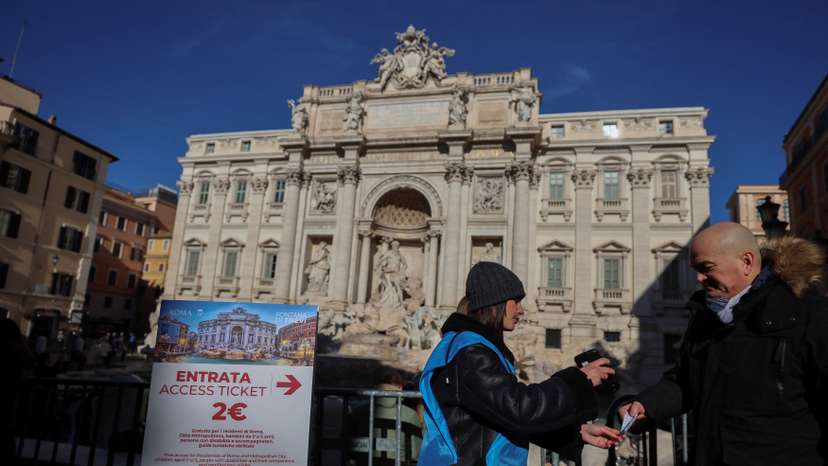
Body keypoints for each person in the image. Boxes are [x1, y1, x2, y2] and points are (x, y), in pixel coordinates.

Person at [618, 223, 828, 465]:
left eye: (706, 268)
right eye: (695, 269)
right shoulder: (705, 317)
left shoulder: (810, 315)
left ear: (746, 262)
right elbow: (685, 381)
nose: (698, 278)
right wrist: (649, 405)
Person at [419, 261, 621, 465]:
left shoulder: (470, 347)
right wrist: (580, 379)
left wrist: (575, 432)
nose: (521, 310)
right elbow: (520, 408)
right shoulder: (470, 353)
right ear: (497, 302)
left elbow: (499, 417)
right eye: (516, 301)